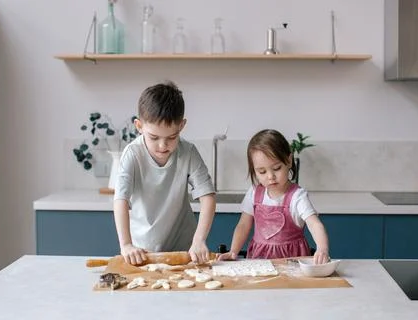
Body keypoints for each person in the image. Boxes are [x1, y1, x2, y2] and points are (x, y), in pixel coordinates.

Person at [113, 81, 216, 265]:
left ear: (182, 126)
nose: (163, 145)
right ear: (139, 126)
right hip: (143, 252)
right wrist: (126, 244)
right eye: (154, 137)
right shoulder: (132, 155)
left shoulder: (188, 152)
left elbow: (207, 197)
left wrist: (199, 240)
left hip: (184, 251)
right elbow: (120, 200)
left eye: (171, 137)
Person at [218, 129, 330, 264]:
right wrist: (233, 251)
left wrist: (322, 248)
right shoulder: (254, 193)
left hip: (292, 260)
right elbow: (243, 225)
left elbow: (314, 224)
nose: (270, 177)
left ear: (289, 161)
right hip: (259, 260)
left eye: (276, 168)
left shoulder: (297, 196)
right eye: (262, 171)